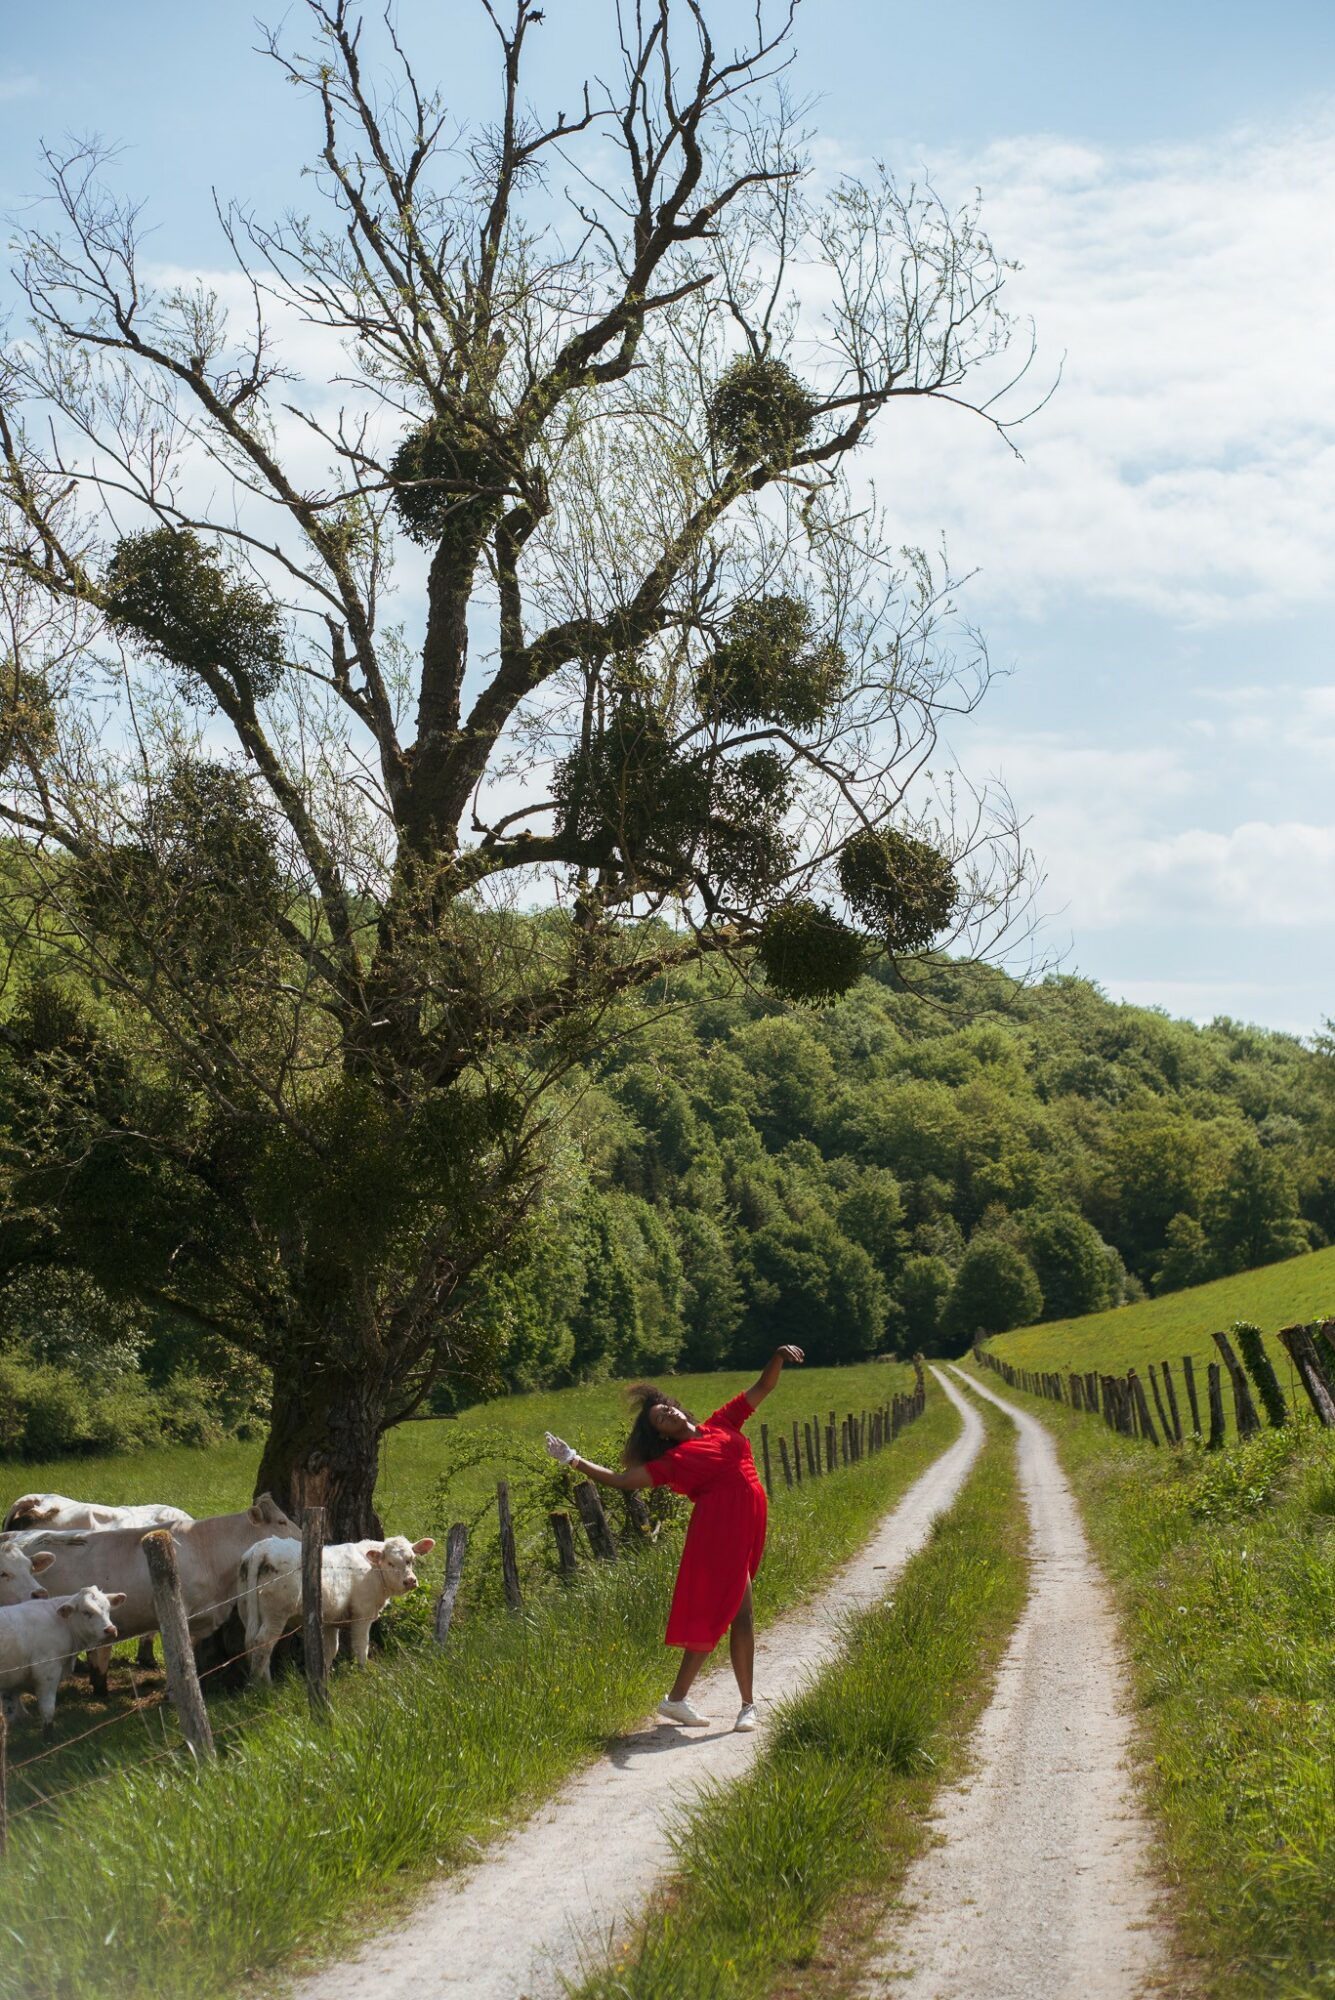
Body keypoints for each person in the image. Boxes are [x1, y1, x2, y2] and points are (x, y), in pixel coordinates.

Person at [543, 1344, 804, 1732]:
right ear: (662, 1437)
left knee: (729, 1612)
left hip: (746, 1520)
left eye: (664, 1408)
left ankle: (678, 1699)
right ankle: (744, 1705)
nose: (665, 1413)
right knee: (739, 1612)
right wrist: (573, 1459)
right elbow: (622, 1480)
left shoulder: (721, 1423)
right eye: (659, 1420)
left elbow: (762, 1387)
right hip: (719, 1529)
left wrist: (778, 1357)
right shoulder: (673, 1462)